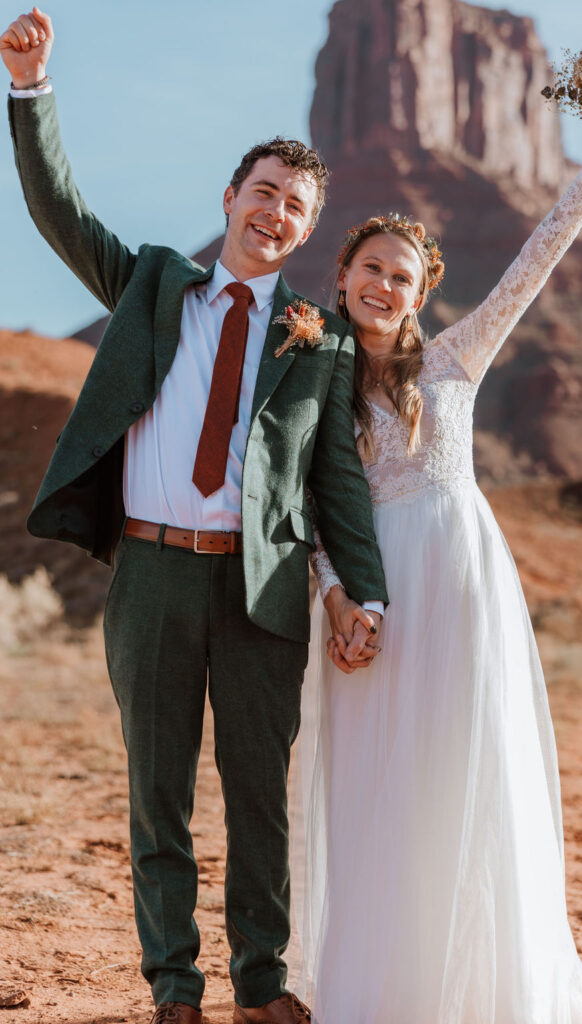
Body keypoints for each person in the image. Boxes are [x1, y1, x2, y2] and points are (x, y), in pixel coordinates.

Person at [1, 8, 389, 1024]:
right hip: (152, 573)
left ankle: (262, 986)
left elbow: (334, 491)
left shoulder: (322, 343)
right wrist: (33, 90)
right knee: (157, 792)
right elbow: (60, 210)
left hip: (258, 589)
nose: (274, 214)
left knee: (257, 795)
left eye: (294, 206)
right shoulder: (151, 283)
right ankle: (174, 988)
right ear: (230, 197)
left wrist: (365, 593)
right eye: (262, 192)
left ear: (306, 230)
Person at [290, 106, 582, 1023]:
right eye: (369, 267)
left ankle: (489, 990)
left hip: (460, 587)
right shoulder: (310, 378)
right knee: (378, 788)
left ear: (420, 294)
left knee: (466, 772)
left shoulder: (455, 360)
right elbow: (315, 508)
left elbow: (536, 262)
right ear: (341, 275)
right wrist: (335, 599)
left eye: (400, 277)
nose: (382, 284)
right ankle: (385, 991)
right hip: (371, 600)